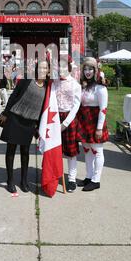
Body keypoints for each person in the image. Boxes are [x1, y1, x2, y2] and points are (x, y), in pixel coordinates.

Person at [0, 60, 49, 194]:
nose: (42, 70)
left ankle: (24, 181)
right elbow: (13, 97)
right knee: (11, 150)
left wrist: (39, 126)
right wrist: (5, 113)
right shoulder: (27, 80)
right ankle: (10, 181)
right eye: (41, 68)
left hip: (30, 123)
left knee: (25, 152)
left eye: (45, 68)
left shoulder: (48, 86)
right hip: (15, 118)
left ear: (49, 71)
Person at [76, 57, 109, 191]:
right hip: (84, 121)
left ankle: (96, 180)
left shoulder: (100, 88)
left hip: (95, 122)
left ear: (95, 70)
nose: (88, 72)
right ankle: (89, 177)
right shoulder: (83, 86)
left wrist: (99, 128)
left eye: (90, 69)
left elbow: (103, 109)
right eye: (85, 69)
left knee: (97, 151)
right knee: (87, 150)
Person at [54, 56, 81, 193]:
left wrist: (65, 123)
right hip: (55, 117)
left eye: (64, 67)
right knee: (55, 150)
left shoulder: (75, 84)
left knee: (71, 152)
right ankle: (55, 174)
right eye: (59, 67)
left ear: (69, 68)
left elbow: (76, 106)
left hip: (68, 119)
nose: (61, 69)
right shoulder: (54, 83)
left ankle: (71, 179)